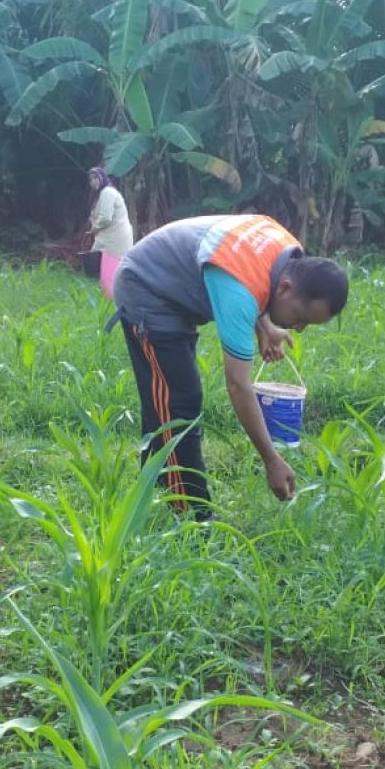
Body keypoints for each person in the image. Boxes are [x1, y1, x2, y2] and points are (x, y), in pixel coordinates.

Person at [111, 214, 347, 520]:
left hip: (174, 283)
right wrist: (271, 459)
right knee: (178, 401)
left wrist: (265, 328)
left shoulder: (288, 254)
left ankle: (155, 487)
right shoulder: (240, 290)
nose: (299, 328)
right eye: (301, 317)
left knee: (169, 393)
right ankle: (193, 516)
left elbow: (256, 278)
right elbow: (238, 385)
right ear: (286, 289)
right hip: (146, 290)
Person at [86, 167, 133, 297]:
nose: (93, 182)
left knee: (109, 266)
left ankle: (111, 296)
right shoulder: (102, 194)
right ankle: (107, 295)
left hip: (115, 237)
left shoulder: (107, 192)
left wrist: (94, 229)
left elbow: (106, 217)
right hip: (108, 236)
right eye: (90, 180)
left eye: (95, 178)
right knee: (102, 263)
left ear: (102, 178)